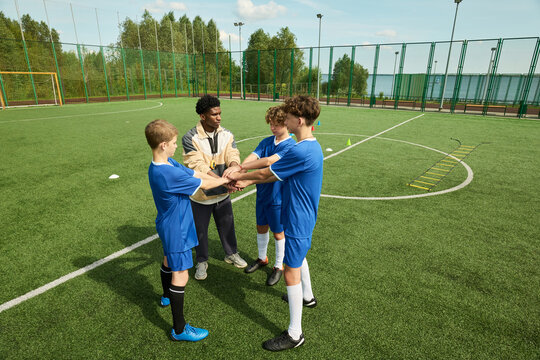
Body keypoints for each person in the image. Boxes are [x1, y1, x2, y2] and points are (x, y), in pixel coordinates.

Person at [227, 95, 323, 351]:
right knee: (300, 257)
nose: (285, 121)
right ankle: (308, 297)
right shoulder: (311, 145)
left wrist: (240, 175)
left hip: (298, 218)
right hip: (302, 215)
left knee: (291, 271)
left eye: (289, 118)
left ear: (299, 120)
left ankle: (294, 334)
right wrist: (246, 181)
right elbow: (271, 177)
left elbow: (265, 173)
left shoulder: (301, 150)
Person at [145, 119, 231, 342]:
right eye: (173, 142)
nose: (176, 146)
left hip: (166, 224)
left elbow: (195, 175)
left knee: (167, 260)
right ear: (163, 145)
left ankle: (165, 296)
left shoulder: (163, 165)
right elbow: (203, 185)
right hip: (178, 230)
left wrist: (220, 178)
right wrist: (228, 180)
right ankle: (180, 329)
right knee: (180, 275)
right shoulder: (168, 174)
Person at [223, 106, 295, 286]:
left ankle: (279, 266)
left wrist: (240, 172)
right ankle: (262, 258)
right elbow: (254, 156)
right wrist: (238, 168)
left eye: (277, 124)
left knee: (279, 233)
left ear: (286, 123)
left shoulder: (291, 145)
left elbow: (270, 162)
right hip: (262, 194)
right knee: (261, 227)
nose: (272, 128)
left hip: (278, 197)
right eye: (270, 124)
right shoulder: (266, 141)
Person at [182, 95, 247, 281]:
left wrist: (234, 167)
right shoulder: (190, 137)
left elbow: (232, 153)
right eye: (214, 114)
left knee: (227, 226)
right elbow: (197, 165)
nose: (219, 117)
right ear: (203, 116)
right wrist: (221, 180)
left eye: (220, 113)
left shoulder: (226, 134)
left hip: (223, 194)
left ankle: (231, 253)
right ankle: (202, 261)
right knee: (200, 231)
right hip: (200, 195)